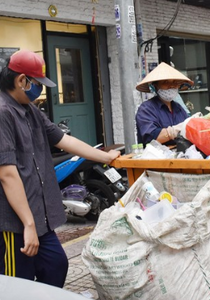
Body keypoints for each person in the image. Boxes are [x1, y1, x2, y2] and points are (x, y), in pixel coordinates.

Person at [0, 50, 121, 288]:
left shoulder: (31, 110)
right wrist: (28, 225)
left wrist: (105, 156)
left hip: (37, 215)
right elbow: (6, 173)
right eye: (37, 84)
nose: (40, 91)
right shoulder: (3, 112)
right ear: (21, 80)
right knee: (17, 284)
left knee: (56, 264)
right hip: (13, 223)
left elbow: (64, 140)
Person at [135, 62, 193, 146]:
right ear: (155, 86)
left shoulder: (178, 108)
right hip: (155, 157)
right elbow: (151, 139)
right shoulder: (146, 109)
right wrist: (173, 131)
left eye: (174, 83)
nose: (171, 86)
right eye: (165, 82)